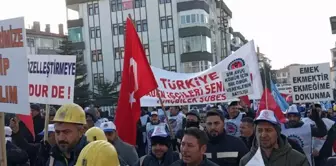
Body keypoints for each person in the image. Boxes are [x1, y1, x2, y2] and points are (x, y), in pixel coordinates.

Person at [239, 109, 309, 166]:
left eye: (268, 130)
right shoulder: (246, 161)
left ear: (277, 133)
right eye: (259, 130)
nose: (263, 135)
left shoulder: (298, 160)